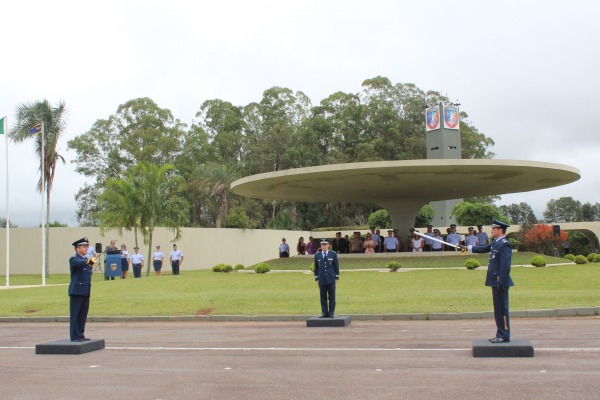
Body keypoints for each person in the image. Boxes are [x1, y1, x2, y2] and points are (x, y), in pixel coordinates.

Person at [467, 219, 514, 343]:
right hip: (495, 281)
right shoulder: (496, 242)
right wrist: (467, 248)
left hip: (500, 282)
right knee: (498, 309)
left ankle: (504, 334)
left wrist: (502, 283)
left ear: (500, 230)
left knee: (502, 309)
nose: (491, 231)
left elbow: (505, 266)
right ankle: (500, 333)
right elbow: (483, 248)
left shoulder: (504, 244)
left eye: (494, 228)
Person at [69, 237, 94, 342]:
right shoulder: (74, 259)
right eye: (84, 247)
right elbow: (78, 263)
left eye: (87, 247)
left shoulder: (85, 260)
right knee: (75, 314)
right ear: (77, 248)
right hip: (77, 291)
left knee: (83, 314)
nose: (86, 249)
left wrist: (88, 262)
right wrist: (88, 261)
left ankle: (80, 334)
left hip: (85, 291)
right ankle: (74, 335)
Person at [313, 239, 340, 318]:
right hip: (322, 279)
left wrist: (337, 277)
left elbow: (336, 266)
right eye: (322, 244)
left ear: (328, 245)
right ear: (320, 246)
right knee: (323, 297)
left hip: (331, 278)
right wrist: (317, 278)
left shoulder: (333, 254)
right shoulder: (317, 255)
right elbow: (316, 268)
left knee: (332, 297)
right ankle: (324, 313)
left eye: (325, 244)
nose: (324, 246)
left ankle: (331, 313)